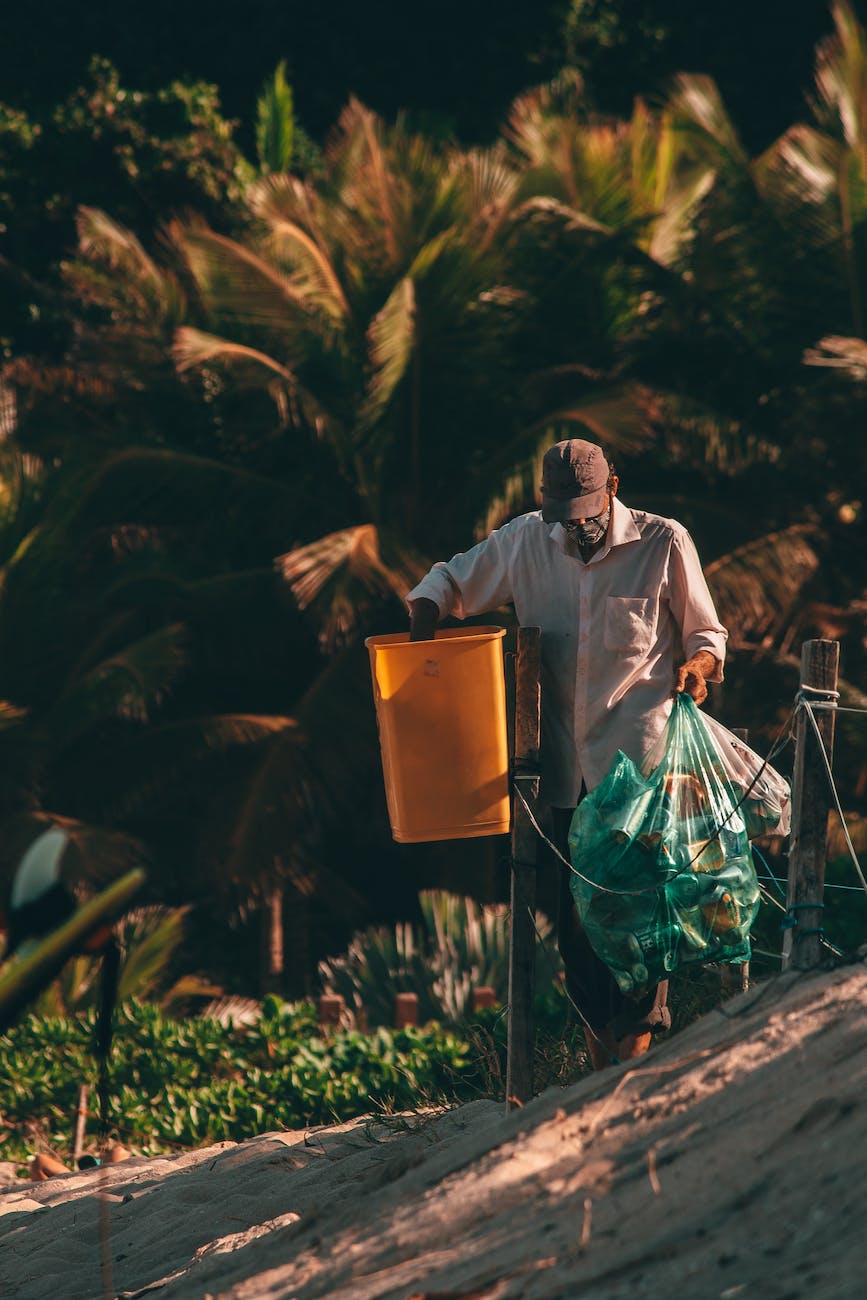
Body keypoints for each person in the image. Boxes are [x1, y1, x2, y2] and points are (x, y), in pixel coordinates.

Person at [406, 438, 727, 1070]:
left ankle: (630, 1067)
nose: (577, 526)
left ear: (613, 488)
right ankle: (600, 1070)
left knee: (636, 917)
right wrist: (423, 623)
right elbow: (447, 582)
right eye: (564, 514)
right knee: (578, 926)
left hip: (637, 768)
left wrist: (698, 666)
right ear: (544, 503)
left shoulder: (663, 542)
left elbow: (705, 632)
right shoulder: (525, 541)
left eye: (586, 510)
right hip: (562, 772)